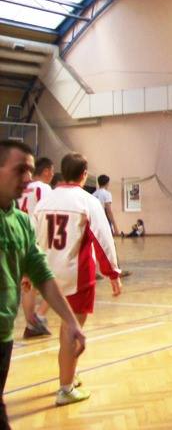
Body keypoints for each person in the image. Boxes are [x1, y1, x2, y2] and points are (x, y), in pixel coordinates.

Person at [0, 141, 87, 426]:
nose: (27, 178)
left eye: (30, 170)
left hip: (3, 336)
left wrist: (71, 321)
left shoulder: (23, 223)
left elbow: (42, 273)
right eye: (20, 170)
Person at [35, 153, 122, 406]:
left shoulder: (45, 200)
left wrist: (29, 273)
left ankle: (69, 374)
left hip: (47, 274)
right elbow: (103, 239)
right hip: (76, 274)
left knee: (66, 327)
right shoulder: (86, 201)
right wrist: (113, 273)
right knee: (71, 329)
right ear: (84, 174)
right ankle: (65, 388)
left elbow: (32, 236)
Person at [18, 156, 54, 338]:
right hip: (37, 238)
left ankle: (31, 324)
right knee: (57, 278)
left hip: (19, 236)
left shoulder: (18, 187)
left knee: (27, 284)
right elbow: (49, 213)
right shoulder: (43, 188)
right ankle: (38, 317)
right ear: (46, 171)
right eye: (52, 171)